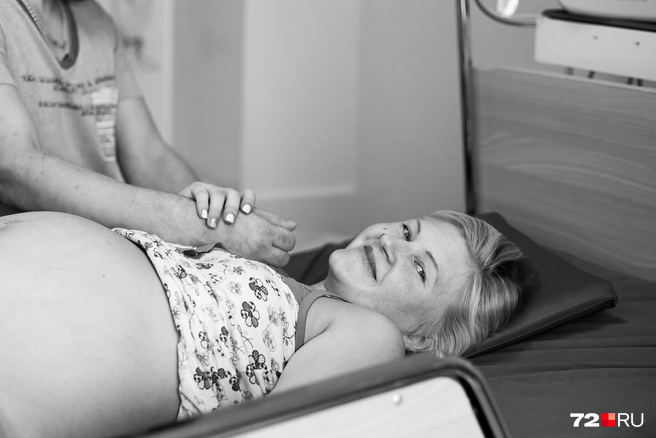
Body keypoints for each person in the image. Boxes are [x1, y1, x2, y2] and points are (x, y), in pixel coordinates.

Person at [0, 209, 526, 438]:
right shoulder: (279, 284)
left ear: (423, 337)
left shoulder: (371, 335)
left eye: (421, 268)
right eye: (408, 230)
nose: (393, 242)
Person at [0, 0, 296, 267]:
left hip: (110, 245)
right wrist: (194, 224)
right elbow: (15, 169)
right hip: (36, 249)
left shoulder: (97, 22)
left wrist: (216, 213)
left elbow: (148, 157)